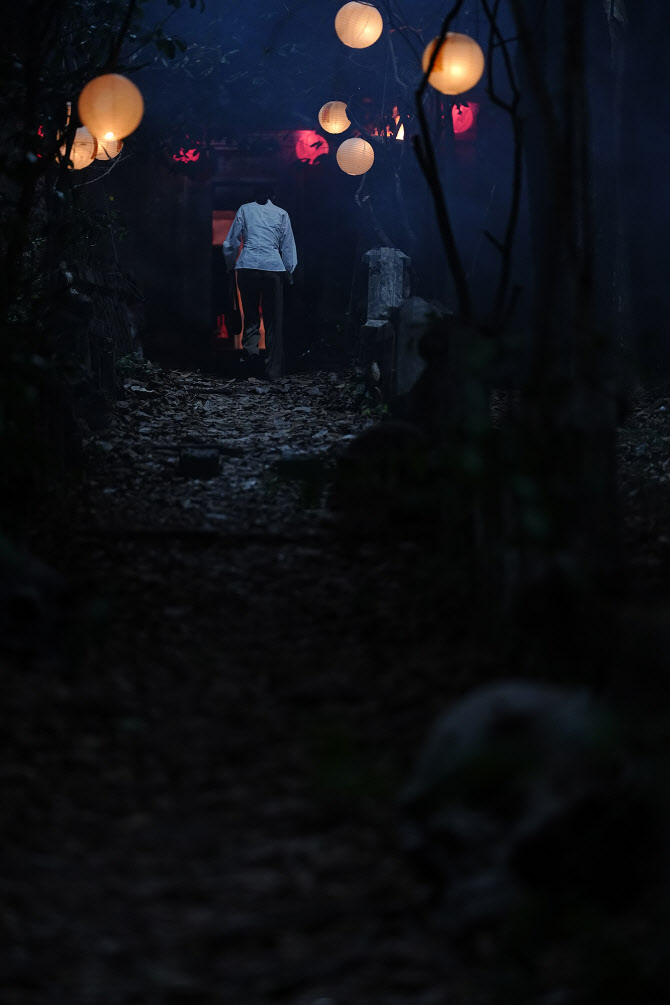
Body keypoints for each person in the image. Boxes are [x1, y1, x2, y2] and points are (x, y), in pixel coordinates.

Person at [223, 184, 297, 380]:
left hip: (247, 267)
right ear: (274, 195)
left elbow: (231, 242)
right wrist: (289, 272)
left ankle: (250, 366)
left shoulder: (245, 209)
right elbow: (287, 246)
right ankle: (273, 371)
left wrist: (230, 265)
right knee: (273, 321)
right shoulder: (281, 213)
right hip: (273, 268)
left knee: (251, 317)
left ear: (254, 194)